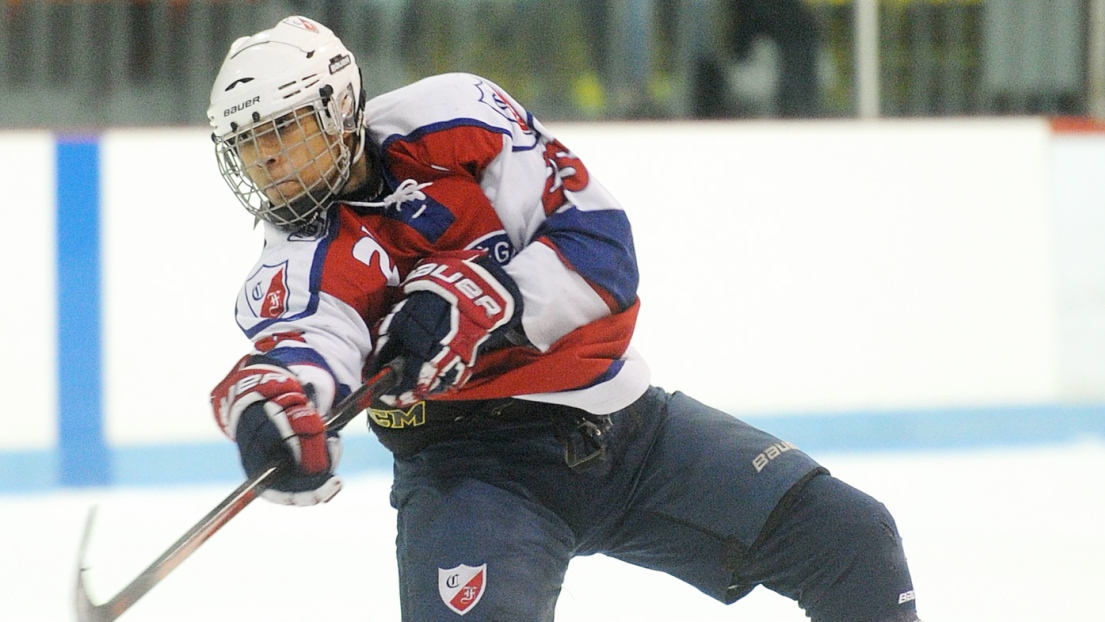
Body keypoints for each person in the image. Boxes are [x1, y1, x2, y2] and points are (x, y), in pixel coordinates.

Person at [206, 15, 920, 622]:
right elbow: (305, 343)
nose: (268, 161)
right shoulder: (297, 256)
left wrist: (486, 299)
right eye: (249, 147)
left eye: (284, 132)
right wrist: (274, 407)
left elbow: (601, 248)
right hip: (471, 471)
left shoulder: (456, 119)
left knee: (850, 536)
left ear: (339, 108)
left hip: (628, 431)